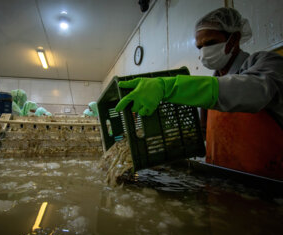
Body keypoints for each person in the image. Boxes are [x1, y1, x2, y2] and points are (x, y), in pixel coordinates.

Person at [115, 7, 283, 180]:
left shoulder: (268, 63)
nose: (204, 51)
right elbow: (204, 135)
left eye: (210, 43)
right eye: (199, 46)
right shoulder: (213, 82)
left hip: (269, 187)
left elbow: (251, 92)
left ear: (234, 39)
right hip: (220, 181)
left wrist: (170, 87)